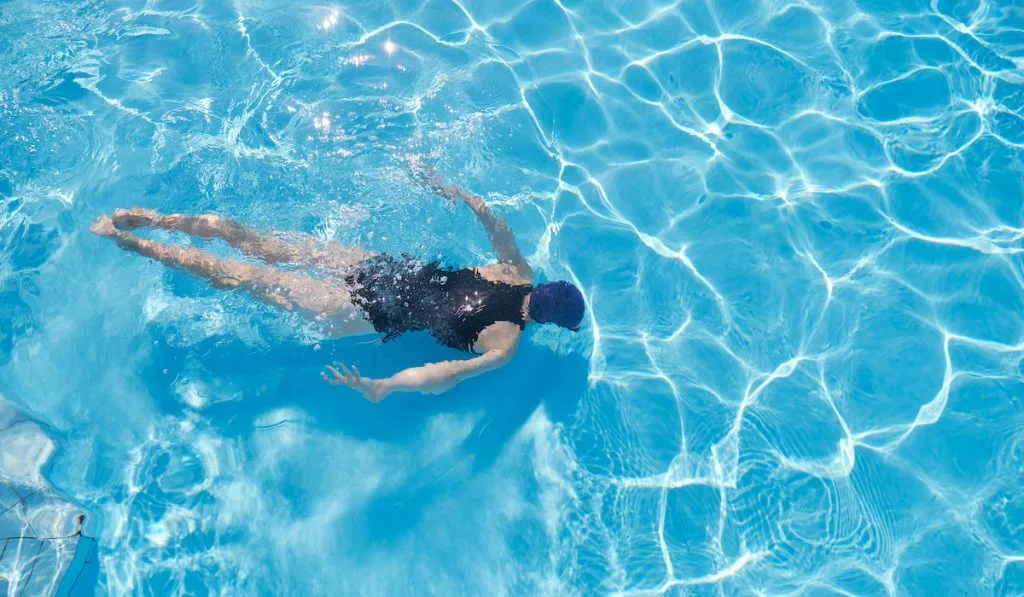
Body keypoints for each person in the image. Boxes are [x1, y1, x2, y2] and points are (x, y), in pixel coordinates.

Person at [90, 164, 585, 402]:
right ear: (551, 324)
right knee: (241, 278)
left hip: (383, 268)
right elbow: (443, 374)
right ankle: (127, 242)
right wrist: (384, 385)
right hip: (359, 313)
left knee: (254, 241)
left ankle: (151, 221)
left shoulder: (517, 271)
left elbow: (490, 219)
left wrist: (451, 189)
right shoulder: (506, 344)